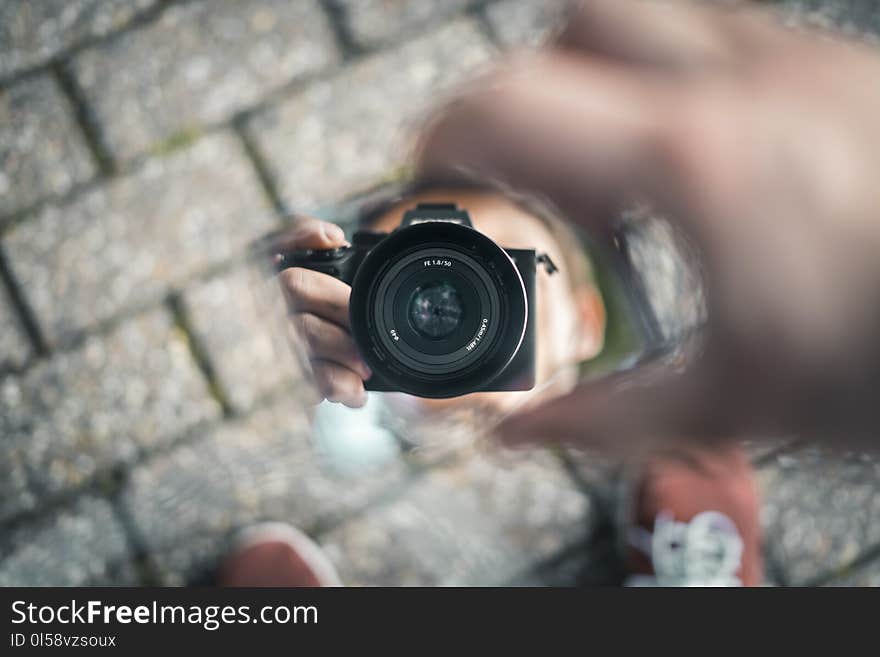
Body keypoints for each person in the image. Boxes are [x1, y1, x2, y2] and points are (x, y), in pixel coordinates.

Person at [223, 181, 763, 586]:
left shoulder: (634, 368)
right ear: (362, 291)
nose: (452, 307)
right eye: (412, 280)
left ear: (587, 327)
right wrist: (296, 302)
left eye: (506, 276)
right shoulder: (367, 394)